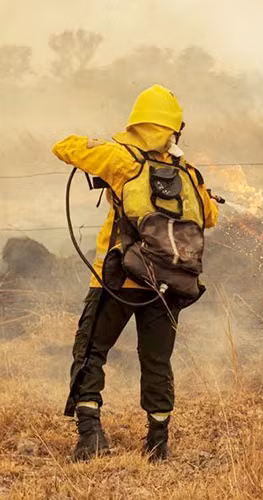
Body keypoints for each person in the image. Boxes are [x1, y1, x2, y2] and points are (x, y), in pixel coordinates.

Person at [52, 84, 219, 462]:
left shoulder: (121, 159)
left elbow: (63, 146)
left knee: (91, 350)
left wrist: (97, 146)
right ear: (174, 127)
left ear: (137, 122)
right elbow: (210, 216)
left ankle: (90, 435)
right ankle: (158, 443)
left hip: (117, 277)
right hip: (169, 284)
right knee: (157, 361)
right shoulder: (187, 172)